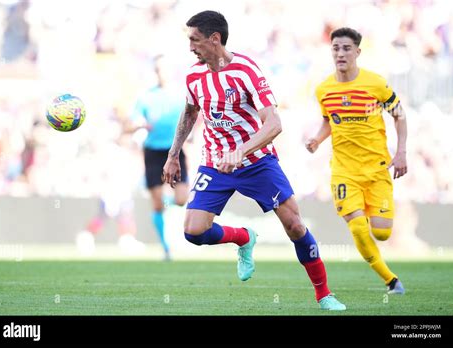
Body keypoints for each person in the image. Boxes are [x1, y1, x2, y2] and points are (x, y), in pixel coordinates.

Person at [162, 10, 346, 310]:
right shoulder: (194, 76)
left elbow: (274, 124)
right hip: (215, 162)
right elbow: (190, 112)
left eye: (195, 40)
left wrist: (240, 152)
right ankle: (244, 237)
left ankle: (324, 294)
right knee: (193, 232)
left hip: (257, 162)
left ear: (214, 39)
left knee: (295, 226)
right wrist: (173, 156)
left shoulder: (246, 71)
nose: (190, 47)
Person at [306, 27, 407, 295]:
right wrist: (317, 139)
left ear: (357, 52)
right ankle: (391, 280)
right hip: (344, 172)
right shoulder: (324, 89)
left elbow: (400, 115)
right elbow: (330, 120)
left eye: (346, 48)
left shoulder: (376, 84)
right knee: (359, 228)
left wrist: (401, 153)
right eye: (336, 48)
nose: (340, 53)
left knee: (382, 232)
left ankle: (387, 269)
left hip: (376, 169)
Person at [128, 54, 189, 260]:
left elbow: (194, 116)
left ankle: (168, 212)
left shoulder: (182, 95)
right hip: (153, 151)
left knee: (181, 199)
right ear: (156, 72)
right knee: (156, 203)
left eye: (166, 68)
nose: (163, 72)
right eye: (159, 69)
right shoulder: (146, 97)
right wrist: (139, 125)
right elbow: (131, 123)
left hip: (176, 150)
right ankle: (166, 248)